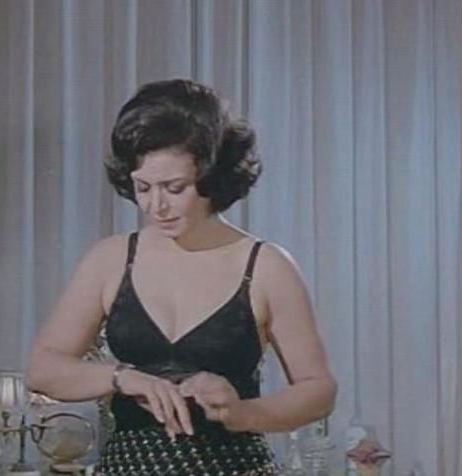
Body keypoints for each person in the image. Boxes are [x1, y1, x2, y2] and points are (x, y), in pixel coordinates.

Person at [26, 79, 337, 475]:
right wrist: (123, 378)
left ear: (212, 178)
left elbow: (318, 389)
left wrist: (242, 413)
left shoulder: (266, 266)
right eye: (143, 188)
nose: (156, 206)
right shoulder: (111, 259)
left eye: (174, 188)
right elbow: (43, 369)